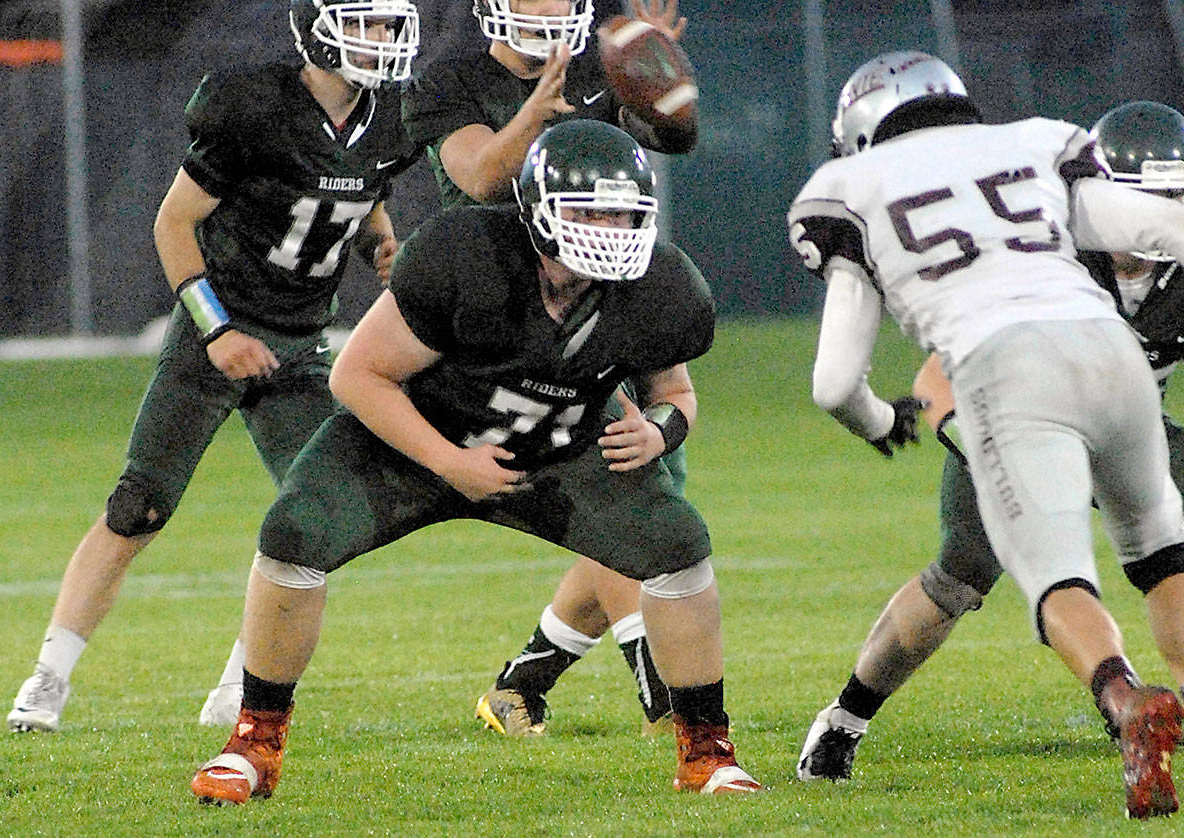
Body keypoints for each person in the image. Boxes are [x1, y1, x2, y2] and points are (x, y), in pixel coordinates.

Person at [188, 120, 762, 805]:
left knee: (679, 546)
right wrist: (449, 461)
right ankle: (253, 744)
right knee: (293, 532)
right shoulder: (466, 254)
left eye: (623, 213)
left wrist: (662, 435)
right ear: (537, 211)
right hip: (416, 440)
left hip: (558, 448)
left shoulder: (663, 286)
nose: (608, 228)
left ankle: (707, 752)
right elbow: (358, 376)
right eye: (589, 211)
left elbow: (675, 394)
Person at [787, 53, 1184, 819]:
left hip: (1012, 381)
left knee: (1063, 579)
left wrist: (879, 421)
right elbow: (1170, 224)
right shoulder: (1034, 147)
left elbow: (834, 385)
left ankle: (1126, 701)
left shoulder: (848, 193)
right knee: (1138, 557)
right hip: (1101, 366)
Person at [6, 0, 420, 734]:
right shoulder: (251, 106)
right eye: (365, 22)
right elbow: (174, 222)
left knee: (316, 521)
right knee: (139, 507)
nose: (382, 37)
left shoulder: (391, 118)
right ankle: (48, 677)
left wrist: (382, 247)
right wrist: (218, 329)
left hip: (299, 345)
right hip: (215, 332)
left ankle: (241, 684)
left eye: (390, 22)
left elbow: (363, 202)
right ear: (317, 31)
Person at [400, 0, 694, 737]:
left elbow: (679, 139)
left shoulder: (598, 68)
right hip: (502, 317)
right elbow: (483, 180)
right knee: (632, 500)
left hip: (611, 294)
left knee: (644, 492)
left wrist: (660, 77)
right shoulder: (450, 81)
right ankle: (663, 695)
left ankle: (521, 685)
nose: (550, 7)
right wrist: (536, 108)